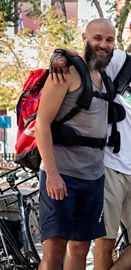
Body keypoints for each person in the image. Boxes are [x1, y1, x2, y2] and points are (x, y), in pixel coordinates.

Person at [49, 10, 131, 270]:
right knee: (105, 242)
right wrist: (59, 54)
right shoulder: (121, 61)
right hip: (109, 165)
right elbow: (90, 51)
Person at [35, 18, 115, 270]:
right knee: (55, 248)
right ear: (85, 39)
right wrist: (52, 174)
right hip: (62, 175)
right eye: (97, 38)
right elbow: (41, 124)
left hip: (93, 177)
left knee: (80, 248)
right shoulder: (66, 72)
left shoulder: (104, 77)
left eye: (109, 40)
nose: (103, 44)